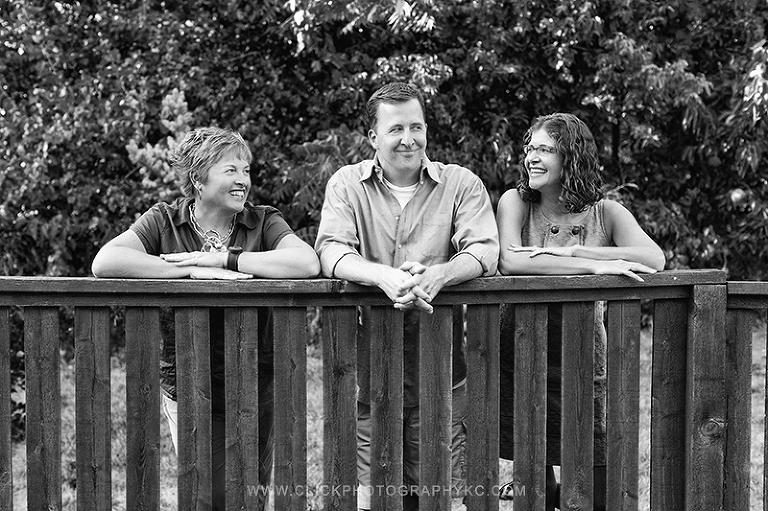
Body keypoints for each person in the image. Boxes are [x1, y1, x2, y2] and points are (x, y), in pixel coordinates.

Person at [91, 127, 321, 510]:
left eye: (246, 171)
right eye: (231, 170)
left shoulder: (263, 221)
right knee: (208, 493)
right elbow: (107, 261)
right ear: (198, 178)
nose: (243, 180)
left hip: (256, 381)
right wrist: (189, 271)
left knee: (252, 491)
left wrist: (225, 259)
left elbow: (306, 262)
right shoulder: (165, 221)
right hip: (188, 383)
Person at [315, 82, 499, 510]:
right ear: (373, 137)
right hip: (370, 373)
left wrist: (439, 275)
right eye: (396, 128)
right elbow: (331, 251)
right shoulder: (347, 184)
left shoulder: (461, 183)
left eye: (416, 127)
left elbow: (485, 250)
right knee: (373, 494)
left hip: (444, 370)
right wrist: (382, 277)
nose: (408, 139)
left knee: (438, 494)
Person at [495, 113, 665, 510]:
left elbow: (653, 258)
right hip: (521, 348)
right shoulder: (516, 202)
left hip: (584, 355)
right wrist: (592, 266)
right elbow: (511, 260)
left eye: (544, 150)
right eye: (529, 148)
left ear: (570, 157)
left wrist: (574, 250)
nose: (531, 157)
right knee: (535, 480)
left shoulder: (606, 213)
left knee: (595, 485)